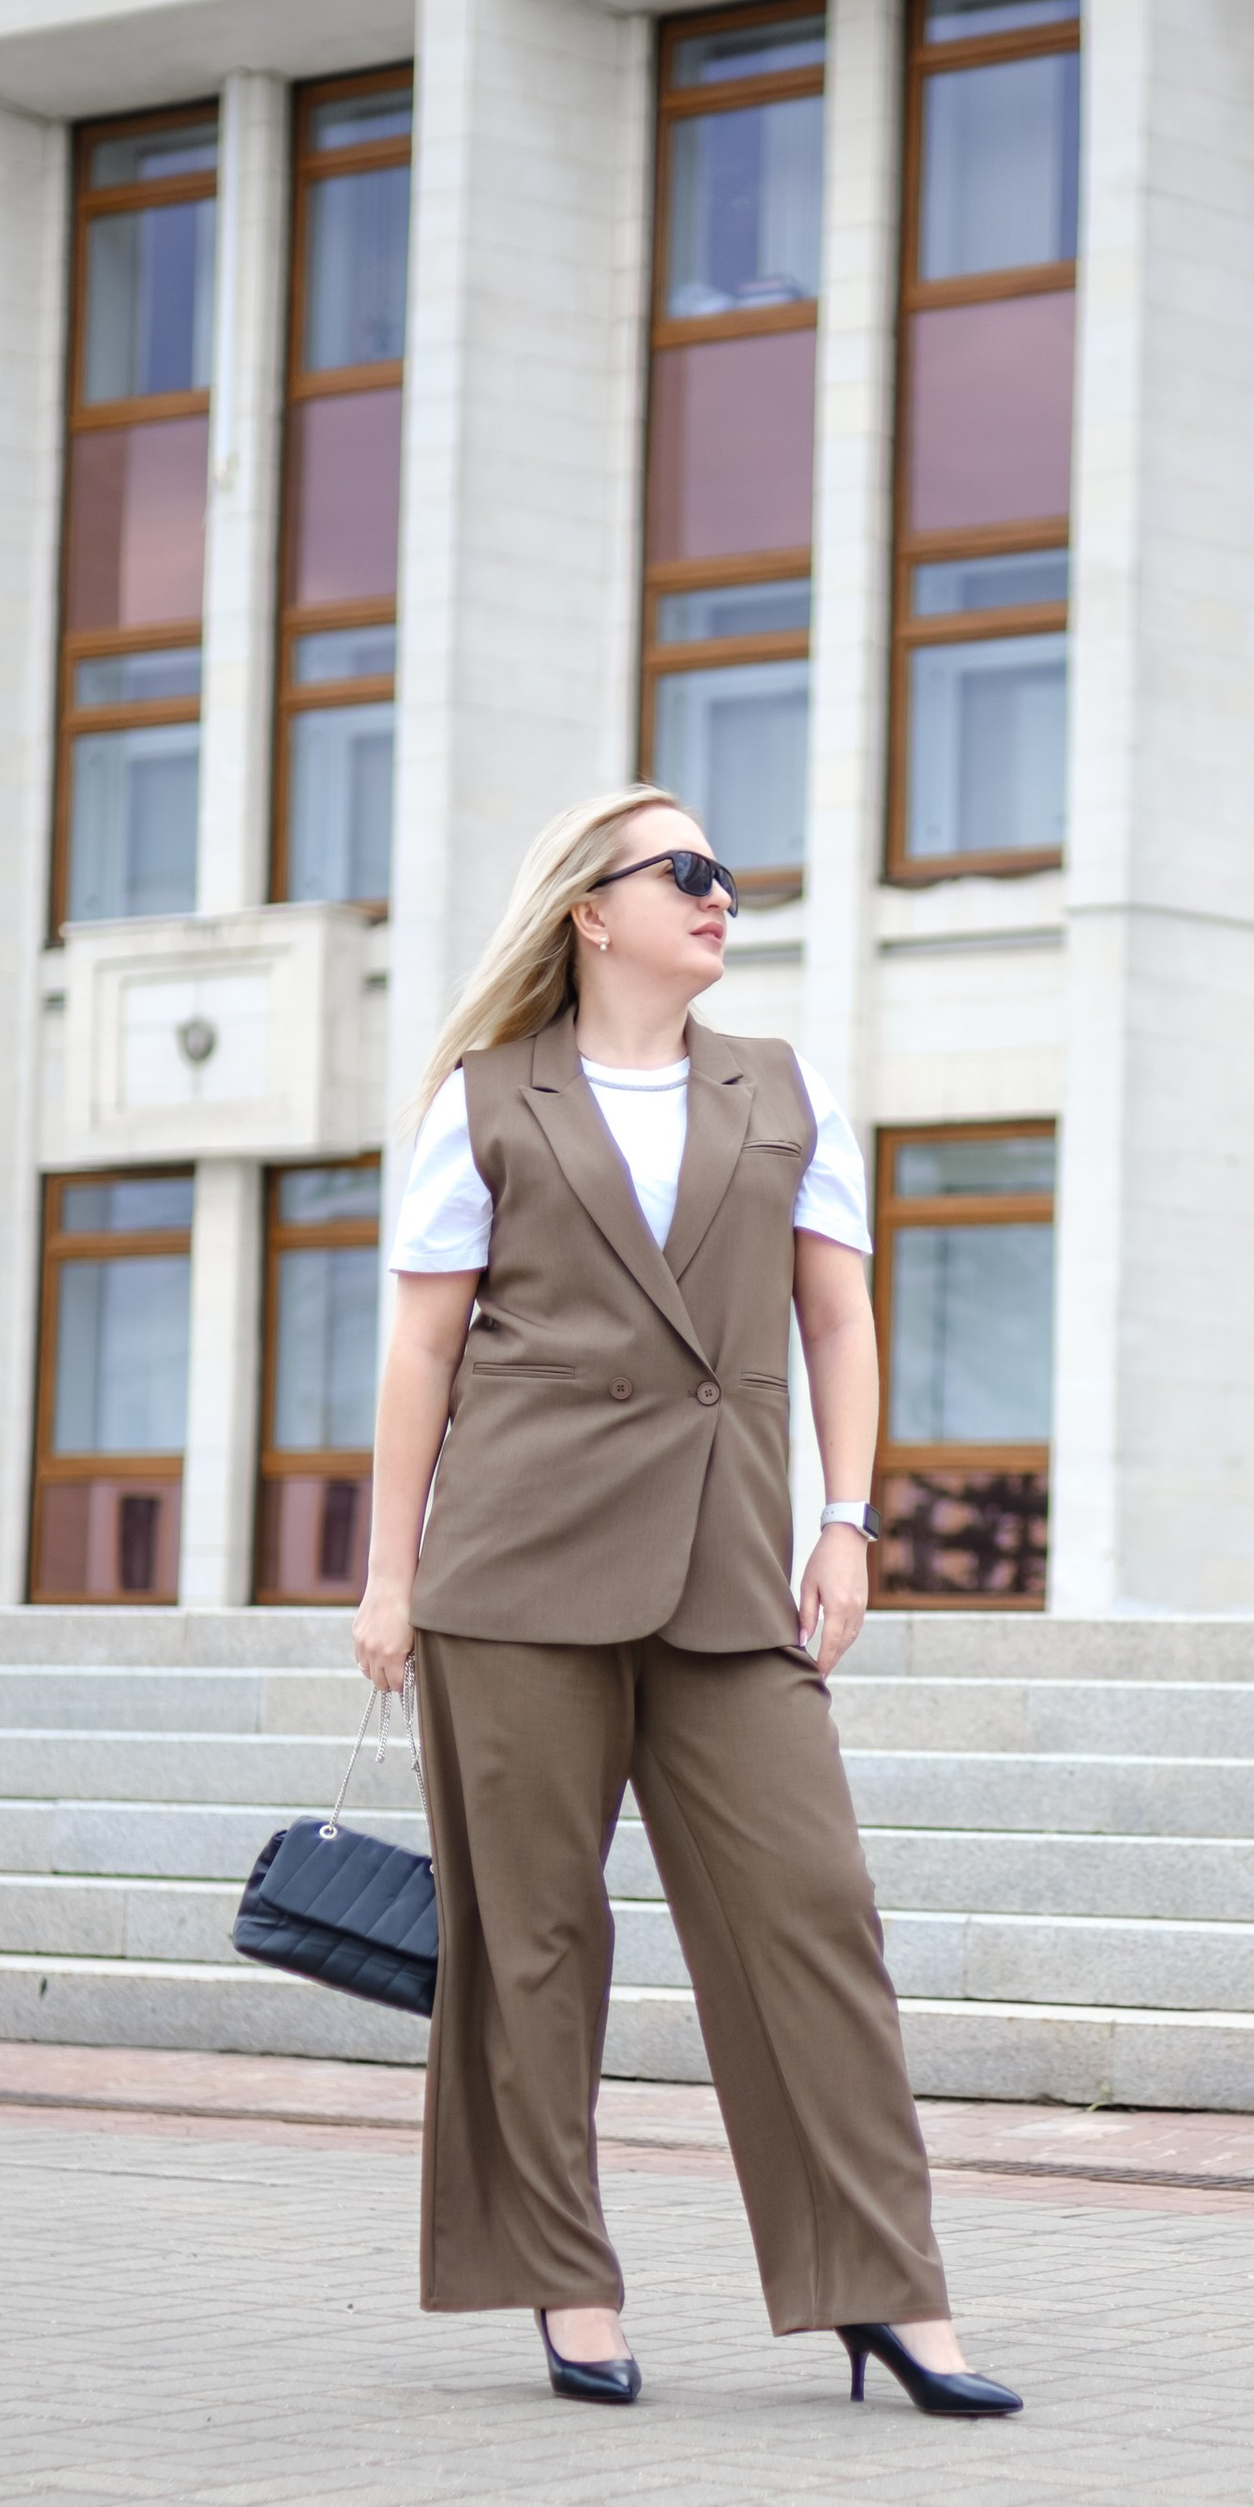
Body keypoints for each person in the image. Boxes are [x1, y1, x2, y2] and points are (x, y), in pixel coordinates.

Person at [352, 782, 1019, 2422]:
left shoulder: (783, 1091)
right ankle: (565, 2277)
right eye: (688, 872)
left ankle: (887, 2290)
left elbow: (840, 1325)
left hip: (731, 1573)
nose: (723, 896)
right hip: (512, 1575)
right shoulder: (486, 1101)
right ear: (593, 908)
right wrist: (387, 1577)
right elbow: (422, 1350)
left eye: (726, 873)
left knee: (815, 1917)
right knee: (534, 1940)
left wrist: (848, 1523)